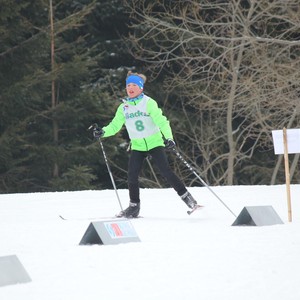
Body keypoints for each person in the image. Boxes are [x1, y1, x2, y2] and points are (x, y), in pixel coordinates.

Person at [93, 71, 200, 218]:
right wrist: (103, 132)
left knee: (166, 171)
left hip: (154, 142)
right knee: (132, 175)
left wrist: (169, 138)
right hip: (138, 146)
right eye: (128, 85)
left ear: (141, 88)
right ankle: (134, 206)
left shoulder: (148, 103)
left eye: (133, 85)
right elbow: (115, 126)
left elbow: (162, 121)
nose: (130, 88)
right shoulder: (123, 107)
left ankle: (188, 199)